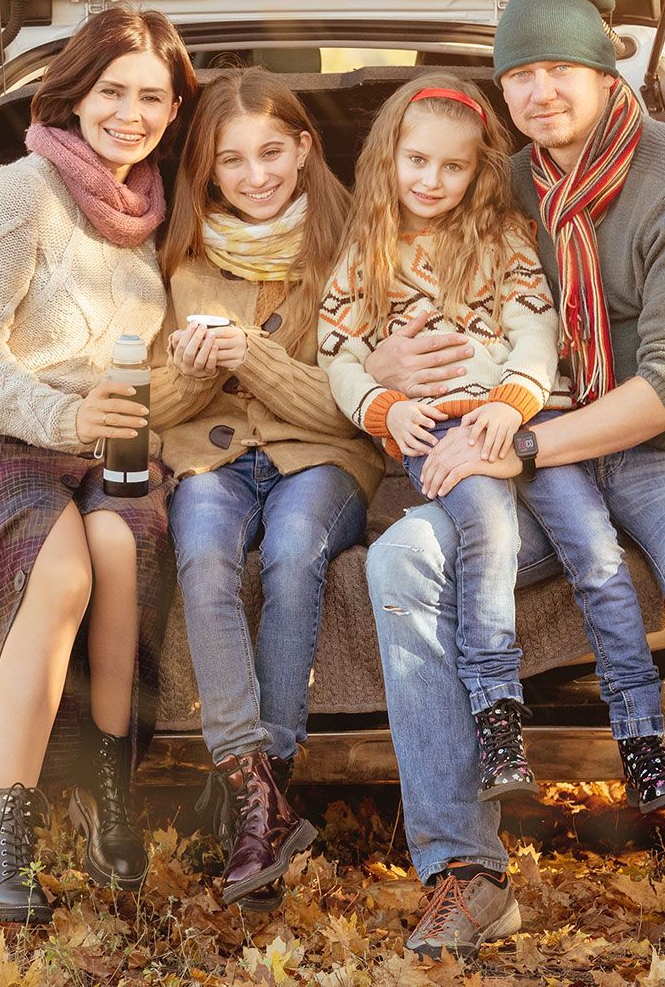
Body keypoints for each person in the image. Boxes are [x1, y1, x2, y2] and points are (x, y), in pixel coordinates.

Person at [363, 0, 665, 965]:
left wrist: (523, 440)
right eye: (519, 75)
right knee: (398, 570)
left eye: (560, 68)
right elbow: (405, 286)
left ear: (606, 73)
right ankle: (467, 877)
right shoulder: (504, 185)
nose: (540, 91)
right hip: (537, 462)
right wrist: (380, 366)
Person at [317, 73, 665, 809]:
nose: (433, 179)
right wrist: (385, 408)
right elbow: (336, 350)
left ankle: (643, 741)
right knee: (487, 529)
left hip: (530, 422)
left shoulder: (503, 238)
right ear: (387, 159)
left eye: (453, 166)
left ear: (479, 170)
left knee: (595, 550)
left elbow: (534, 327)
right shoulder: (365, 251)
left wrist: (516, 404)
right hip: (439, 426)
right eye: (417, 161)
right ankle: (497, 717)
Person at [0, 5, 197, 924]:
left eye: (151, 96)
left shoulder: (150, 210)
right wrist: (60, 414)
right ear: (75, 93)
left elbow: (135, 365)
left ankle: (109, 795)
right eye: (113, 90)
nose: (131, 111)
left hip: (105, 447)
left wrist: (175, 384)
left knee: (124, 556)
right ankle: (10, 827)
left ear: (172, 109)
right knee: (65, 564)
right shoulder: (22, 191)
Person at [151, 68, 384, 907]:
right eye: (232, 160)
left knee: (292, 551)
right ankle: (261, 791)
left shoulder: (352, 248)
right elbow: (155, 406)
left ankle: (267, 783)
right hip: (210, 459)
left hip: (323, 460)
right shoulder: (181, 254)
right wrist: (184, 373)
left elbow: (353, 410)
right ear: (206, 171)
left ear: (305, 148)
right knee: (205, 555)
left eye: (272, 152)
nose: (256, 175)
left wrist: (250, 354)